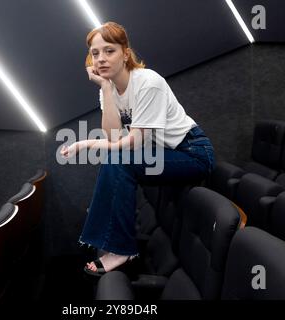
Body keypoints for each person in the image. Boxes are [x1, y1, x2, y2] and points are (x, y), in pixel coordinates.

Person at [60, 22, 215, 276]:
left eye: (109, 51)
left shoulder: (148, 82)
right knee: (117, 157)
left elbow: (134, 142)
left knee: (122, 160)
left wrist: (86, 143)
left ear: (125, 53)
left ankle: (121, 249)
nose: (101, 59)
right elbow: (113, 137)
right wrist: (106, 89)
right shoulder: (108, 88)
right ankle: (111, 233)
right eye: (95, 53)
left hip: (193, 152)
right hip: (164, 154)